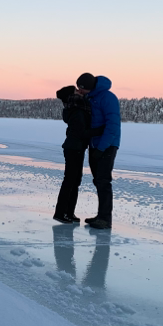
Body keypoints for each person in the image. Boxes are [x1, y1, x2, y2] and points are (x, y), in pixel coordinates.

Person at [77, 73, 121, 230]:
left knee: (103, 182)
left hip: (107, 145)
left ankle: (105, 219)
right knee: (98, 181)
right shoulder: (90, 97)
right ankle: (100, 215)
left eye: (81, 89)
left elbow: (112, 126)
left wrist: (102, 147)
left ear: (89, 87)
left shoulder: (107, 98)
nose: (79, 91)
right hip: (95, 145)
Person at [53, 84, 95, 223]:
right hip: (74, 148)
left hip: (76, 147)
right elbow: (81, 132)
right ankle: (61, 213)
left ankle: (69, 212)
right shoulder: (77, 110)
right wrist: (100, 130)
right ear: (72, 95)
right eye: (76, 91)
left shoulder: (75, 107)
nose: (79, 91)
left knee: (74, 180)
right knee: (70, 180)